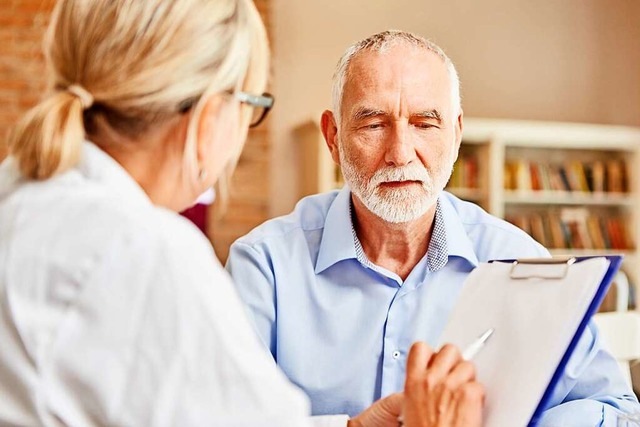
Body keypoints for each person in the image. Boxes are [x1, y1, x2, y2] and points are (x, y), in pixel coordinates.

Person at [0, 2, 484, 426]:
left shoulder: (20, 197)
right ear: (212, 115)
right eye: (252, 105)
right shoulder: (150, 255)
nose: (400, 152)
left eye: (424, 122)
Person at [227, 29, 640, 425]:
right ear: (333, 137)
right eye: (373, 124)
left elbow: (616, 409)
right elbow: (215, 416)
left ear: (457, 134)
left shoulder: (523, 263)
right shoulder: (265, 265)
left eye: (425, 123)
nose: (400, 153)